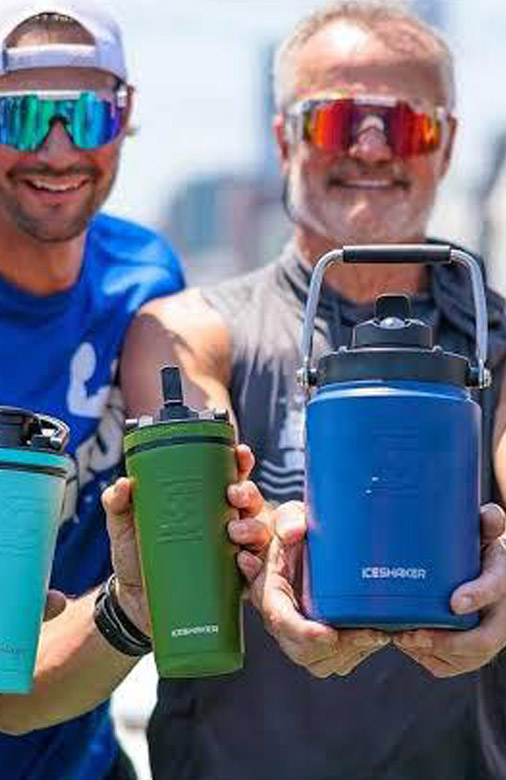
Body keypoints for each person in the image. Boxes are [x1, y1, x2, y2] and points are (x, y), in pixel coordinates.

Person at [113, 2, 506, 778]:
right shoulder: (189, 332)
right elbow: (199, 494)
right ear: (285, 139)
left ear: (445, 145)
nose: (371, 147)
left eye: (406, 124)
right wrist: (277, 557)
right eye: (338, 120)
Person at [0, 2, 188, 778]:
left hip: (84, 754)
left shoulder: (146, 274)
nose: (57, 149)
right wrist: (133, 605)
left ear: (125, 115)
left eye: (86, 115)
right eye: (21, 116)